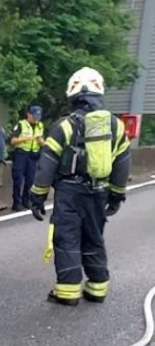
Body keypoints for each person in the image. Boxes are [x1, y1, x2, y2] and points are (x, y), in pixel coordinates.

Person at [30, 67, 131, 305]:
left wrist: (38, 196)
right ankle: (97, 288)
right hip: (99, 192)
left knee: (67, 239)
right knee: (94, 237)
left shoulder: (65, 126)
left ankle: (67, 292)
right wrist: (116, 196)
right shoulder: (116, 127)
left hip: (69, 192)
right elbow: (123, 164)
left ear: (73, 93)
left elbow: (47, 164)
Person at [10, 105, 45, 211]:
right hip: (21, 154)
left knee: (30, 180)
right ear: (28, 114)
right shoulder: (21, 124)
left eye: (38, 116)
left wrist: (41, 142)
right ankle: (17, 203)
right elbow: (13, 141)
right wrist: (26, 139)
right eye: (34, 116)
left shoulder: (40, 125)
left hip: (33, 155)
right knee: (18, 179)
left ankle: (26, 201)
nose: (36, 118)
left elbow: (42, 141)